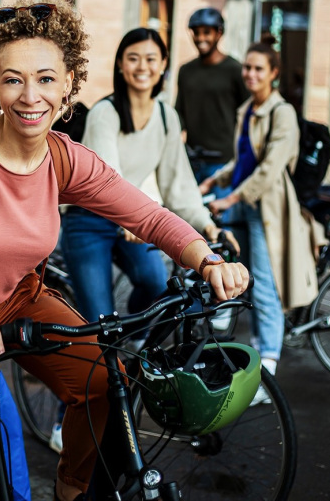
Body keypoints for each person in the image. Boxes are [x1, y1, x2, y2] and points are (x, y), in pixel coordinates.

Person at [0, 0, 249, 501]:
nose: (31, 96)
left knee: (102, 379)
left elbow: (147, 215)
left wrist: (207, 257)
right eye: (13, 79)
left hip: (18, 300)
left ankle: (71, 492)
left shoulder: (65, 159)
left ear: (69, 83)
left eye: (46, 79)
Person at [60, 27, 239, 325]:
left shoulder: (167, 117)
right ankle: (108, 350)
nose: (142, 67)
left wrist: (208, 227)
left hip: (132, 220)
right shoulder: (105, 113)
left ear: (164, 64)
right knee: (102, 323)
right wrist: (131, 216)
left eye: (151, 59)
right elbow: (109, 179)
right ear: (120, 64)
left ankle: (136, 341)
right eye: (133, 58)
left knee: (158, 287)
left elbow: (179, 186)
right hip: (89, 220)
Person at [200, 36, 319, 401]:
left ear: (274, 75)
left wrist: (231, 196)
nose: (249, 74)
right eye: (247, 67)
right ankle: (233, 331)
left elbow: (269, 169)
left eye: (257, 69)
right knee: (235, 269)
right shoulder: (249, 108)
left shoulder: (281, 113)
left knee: (266, 287)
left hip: (266, 209)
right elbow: (243, 159)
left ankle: (267, 369)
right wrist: (215, 179)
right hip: (243, 203)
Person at [175, 7, 249, 195]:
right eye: (196, 33)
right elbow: (179, 113)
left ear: (219, 33)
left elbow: (248, 116)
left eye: (206, 32)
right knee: (188, 221)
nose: (200, 38)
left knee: (221, 220)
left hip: (223, 163)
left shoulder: (235, 70)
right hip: (191, 161)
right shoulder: (186, 71)